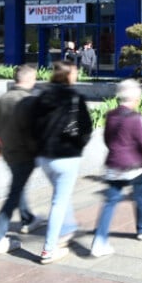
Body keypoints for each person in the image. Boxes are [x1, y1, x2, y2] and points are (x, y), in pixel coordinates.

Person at [30, 61, 93, 264]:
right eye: (74, 72)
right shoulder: (75, 97)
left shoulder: (42, 96)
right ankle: (49, 249)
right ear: (67, 75)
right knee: (59, 201)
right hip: (66, 155)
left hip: (45, 157)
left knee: (61, 195)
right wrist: (78, 146)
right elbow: (86, 129)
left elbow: (33, 125)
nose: (76, 75)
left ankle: (67, 229)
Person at [89, 79, 142, 257]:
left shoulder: (111, 115)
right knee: (141, 197)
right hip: (135, 166)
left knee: (110, 202)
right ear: (135, 98)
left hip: (114, 164)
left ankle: (99, 240)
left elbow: (107, 139)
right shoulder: (135, 119)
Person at [0, 65, 44, 255]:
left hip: (9, 152)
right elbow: (32, 131)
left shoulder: (2, 99)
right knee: (13, 194)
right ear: (29, 79)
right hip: (24, 153)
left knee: (18, 186)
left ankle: (28, 218)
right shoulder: (27, 100)